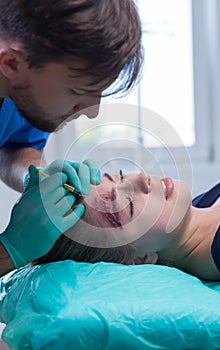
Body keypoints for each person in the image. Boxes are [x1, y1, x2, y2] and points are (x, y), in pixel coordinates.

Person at [0, 0, 143, 275]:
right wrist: (11, 249)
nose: (91, 113)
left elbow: (15, 145)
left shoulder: (22, 91)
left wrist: (36, 177)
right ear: (11, 63)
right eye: (78, 92)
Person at [32, 170, 220, 282]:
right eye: (129, 205)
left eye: (120, 177)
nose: (141, 177)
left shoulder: (203, 207)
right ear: (140, 260)